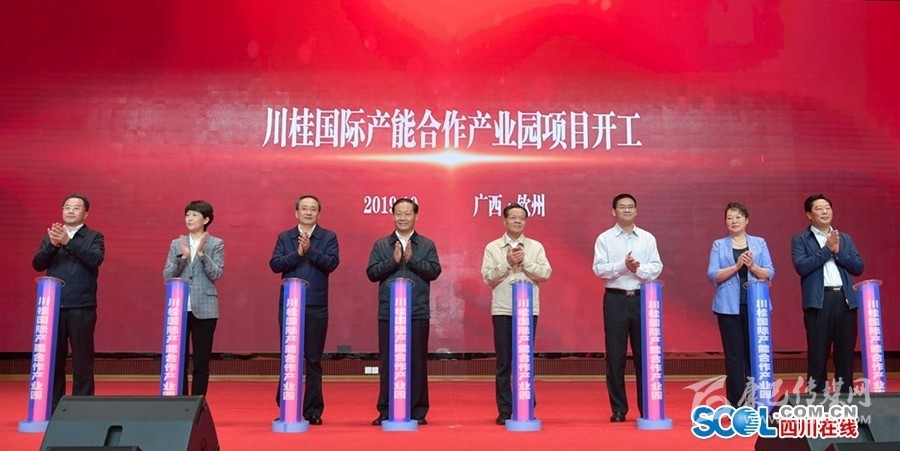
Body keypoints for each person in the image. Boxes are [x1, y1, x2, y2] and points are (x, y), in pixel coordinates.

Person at [366, 198, 441, 426]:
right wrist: (393, 261)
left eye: (408, 214)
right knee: (388, 362)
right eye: (399, 213)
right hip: (389, 313)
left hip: (416, 312)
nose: (403, 218)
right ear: (393, 216)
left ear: (416, 216)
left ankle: (418, 410)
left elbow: (434, 271)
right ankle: (386, 410)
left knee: (417, 363)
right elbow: (371, 273)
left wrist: (412, 260)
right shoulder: (382, 244)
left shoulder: (426, 244)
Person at [269, 195, 339, 425]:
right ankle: (287, 407)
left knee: (314, 359)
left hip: (316, 305)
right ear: (296, 213)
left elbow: (331, 263)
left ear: (319, 213)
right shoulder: (285, 237)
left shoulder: (328, 237)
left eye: (313, 209)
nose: (309, 212)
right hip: (290, 305)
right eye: (304, 209)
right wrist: (297, 254)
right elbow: (275, 265)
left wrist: (310, 251)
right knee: (289, 357)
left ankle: (313, 411)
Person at [592, 193, 662, 423]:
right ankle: (619, 409)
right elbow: (599, 269)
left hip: (643, 299)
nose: (627, 210)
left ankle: (647, 407)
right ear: (614, 211)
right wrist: (624, 266)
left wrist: (637, 269)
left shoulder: (647, 238)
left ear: (636, 211)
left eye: (631, 207)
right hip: (615, 299)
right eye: (622, 207)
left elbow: (657, 267)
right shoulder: (605, 238)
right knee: (615, 356)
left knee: (645, 356)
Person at [32, 194, 105, 413]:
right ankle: (54, 407)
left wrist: (68, 243)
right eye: (67, 207)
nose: (70, 211)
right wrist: (53, 245)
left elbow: (95, 260)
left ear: (85, 213)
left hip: (82, 305)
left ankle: (82, 408)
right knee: (54, 359)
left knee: (82, 359)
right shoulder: (52, 236)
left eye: (76, 208)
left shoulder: (94, 236)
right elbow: (38, 264)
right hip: (53, 306)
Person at [481, 203, 551, 425]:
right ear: (505, 221)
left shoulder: (535, 247)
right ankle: (504, 410)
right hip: (503, 310)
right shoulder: (493, 247)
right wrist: (507, 263)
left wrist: (525, 262)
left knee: (525, 360)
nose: (518, 221)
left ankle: (526, 406)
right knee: (504, 362)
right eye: (513, 217)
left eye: (522, 218)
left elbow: (545, 273)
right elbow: (487, 277)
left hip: (528, 311)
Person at [791, 194, 863, 394]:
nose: (824, 212)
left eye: (827, 208)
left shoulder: (845, 238)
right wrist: (827, 250)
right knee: (817, 354)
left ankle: (845, 399)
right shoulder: (800, 239)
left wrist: (839, 252)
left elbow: (858, 267)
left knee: (845, 354)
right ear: (809, 214)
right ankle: (816, 400)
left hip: (845, 301)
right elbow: (802, 267)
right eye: (819, 208)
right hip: (818, 302)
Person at [707, 203, 774, 406]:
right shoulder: (719, 245)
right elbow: (713, 274)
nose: (734, 221)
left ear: (746, 220)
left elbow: (770, 272)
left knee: (756, 354)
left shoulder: (759, 243)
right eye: (729, 218)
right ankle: (736, 404)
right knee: (734, 356)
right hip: (728, 307)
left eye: (738, 217)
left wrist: (752, 266)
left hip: (756, 307)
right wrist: (737, 266)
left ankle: (758, 402)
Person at [163, 200, 224, 397]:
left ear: (206, 220)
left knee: (201, 360)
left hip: (205, 309)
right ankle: (180, 401)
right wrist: (183, 258)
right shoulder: (176, 244)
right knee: (178, 360)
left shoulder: (216, 243)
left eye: (194, 215)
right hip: (179, 309)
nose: (189, 219)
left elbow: (216, 274)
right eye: (187, 214)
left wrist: (202, 255)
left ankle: (198, 402)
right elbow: (167, 275)